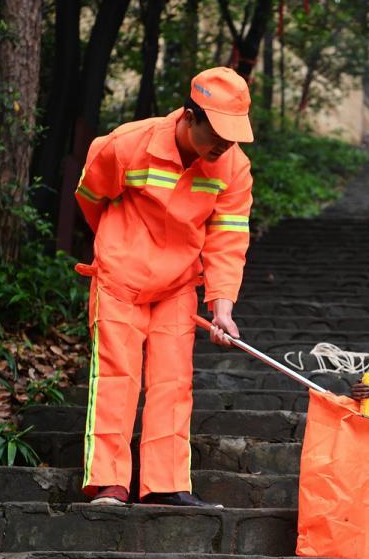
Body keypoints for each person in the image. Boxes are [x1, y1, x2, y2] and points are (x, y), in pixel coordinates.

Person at [73, 67, 254, 507]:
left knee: (174, 381)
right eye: (218, 134)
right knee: (117, 377)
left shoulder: (234, 168)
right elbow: (91, 197)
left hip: (177, 286)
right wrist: (119, 247)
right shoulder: (127, 145)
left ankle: (165, 483)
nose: (225, 146)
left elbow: (227, 240)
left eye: (233, 137)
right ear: (190, 116)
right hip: (120, 280)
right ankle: (108, 482)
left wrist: (222, 306)